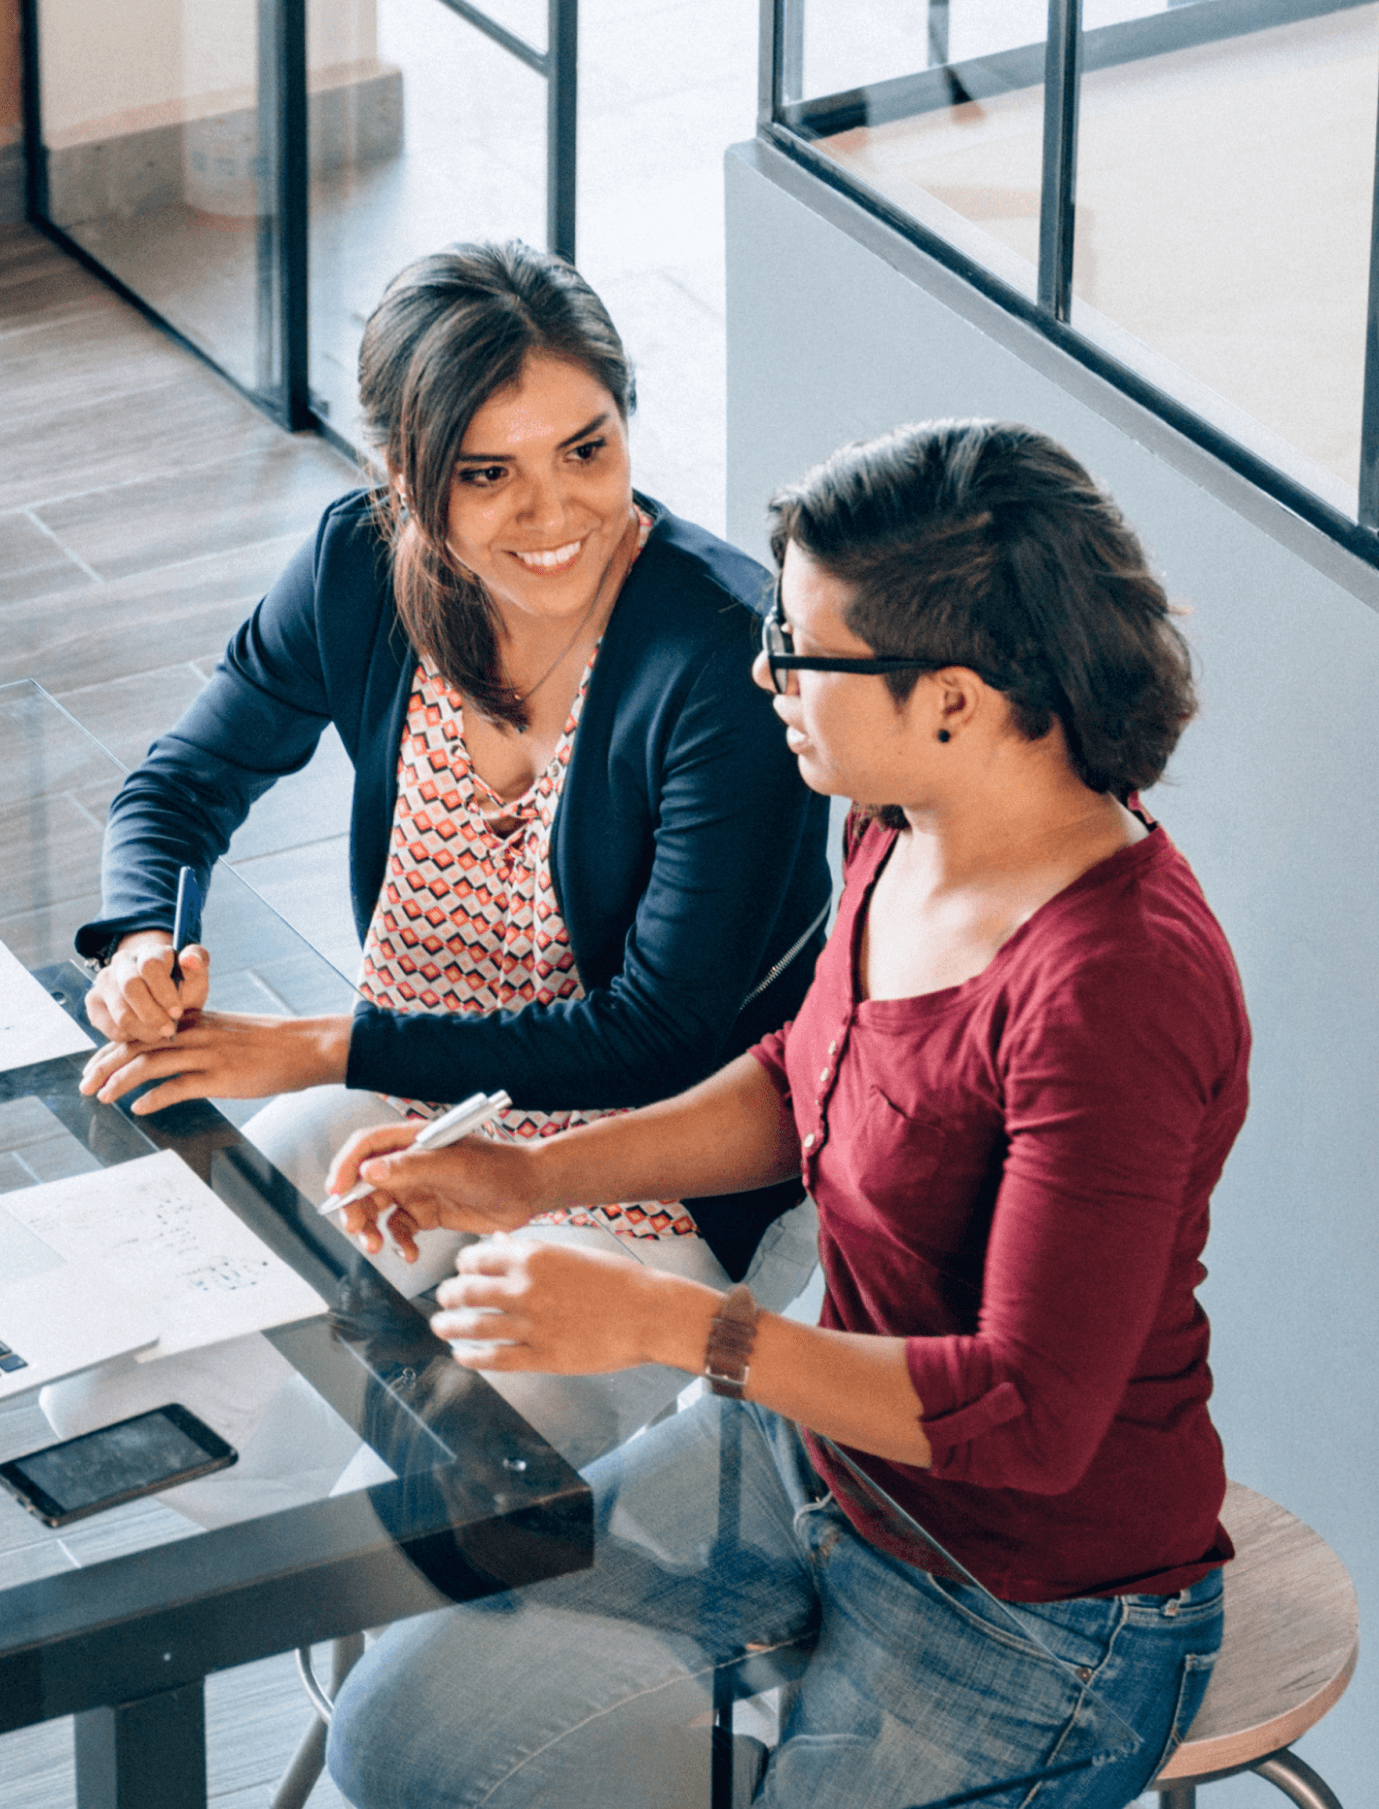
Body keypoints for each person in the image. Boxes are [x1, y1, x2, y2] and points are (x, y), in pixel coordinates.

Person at [320, 419, 1250, 1809]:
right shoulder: (899, 826)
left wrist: (676, 1324)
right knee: (401, 1722)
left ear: (952, 700)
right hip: (821, 1462)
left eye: (800, 653)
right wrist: (539, 1171)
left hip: (1029, 1607)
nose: (766, 678)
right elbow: (804, 1076)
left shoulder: (1116, 986)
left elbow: (1030, 1418)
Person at [50, 241, 830, 1499]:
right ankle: (325, 1595)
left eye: (588, 448)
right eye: (487, 473)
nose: (555, 511)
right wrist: (142, 939)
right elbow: (179, 787)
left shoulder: (717, 662)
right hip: (408, 1106)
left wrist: (319, 1047)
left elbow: (654, 1032)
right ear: (404, 481)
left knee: (419, 1495)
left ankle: (361, 1657)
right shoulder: (358, 571)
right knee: (110, 1389)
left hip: (637, 1169)